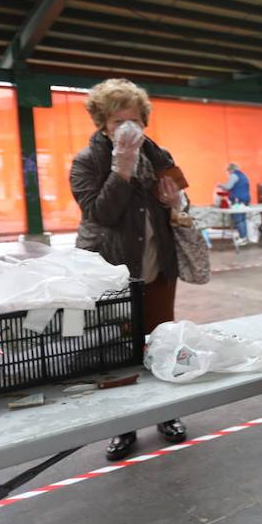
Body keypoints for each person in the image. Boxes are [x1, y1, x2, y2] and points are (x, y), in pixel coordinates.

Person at [70, 78, 188, 460]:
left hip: (158, 265)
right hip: (115, 272)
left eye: (134, 120)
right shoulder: (87, 162)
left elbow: (182, 197)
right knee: (120, 350)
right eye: (118, 121)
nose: (128, 128)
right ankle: (123, 427)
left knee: (162, 341)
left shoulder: (158, 155)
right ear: (103, 125)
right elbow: (100, 213)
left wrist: (176, 203)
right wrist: (120, 169)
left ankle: (167, 414)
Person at [218, 163, 250, 247]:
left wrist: (220, 185)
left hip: (237, 200)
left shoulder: (234, 175)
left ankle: (242, 238)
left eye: (228, 171)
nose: (228, 173)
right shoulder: (243, 175)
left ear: (231, 170)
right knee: (242, 219)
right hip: (245, 199)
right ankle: (244, 237)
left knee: (239, 219)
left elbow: (228, 186)